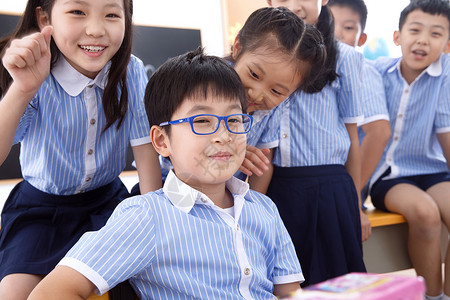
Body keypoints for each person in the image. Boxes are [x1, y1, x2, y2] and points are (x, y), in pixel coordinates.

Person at [28, 47, 304, 300]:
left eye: (233, 120)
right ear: (162, 141)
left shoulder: (264, 209)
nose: (224, 135)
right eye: (202, 121)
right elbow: (50, 293)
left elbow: (290, 294)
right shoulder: (146, 216)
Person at [0, 0, 162, 298]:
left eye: (112, 15)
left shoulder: (132, 71)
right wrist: (22, 88)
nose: (96, 29)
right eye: (78, 11)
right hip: (40, 212)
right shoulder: (35, 73)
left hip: (108, 206)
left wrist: (155, 234)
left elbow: (147, 160)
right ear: (44, 16)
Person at [130, 6, 328, 194]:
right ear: (238, 48)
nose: (257, 94)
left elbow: (263, 164)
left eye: (276, 91)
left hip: (221, 197)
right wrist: (229, 151)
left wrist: (253, 207)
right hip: (172, 187)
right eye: (254, 74)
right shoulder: (204, 83)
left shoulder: (273, 111)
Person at [253, 0, 368, 287]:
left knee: (338, 285)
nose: (293, 5)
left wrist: (356, 204)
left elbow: (353, 138)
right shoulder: (263, 55)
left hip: (330, 190)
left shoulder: (345, 57)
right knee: (285, 282)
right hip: (280, 187)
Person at [367, 1, 450, 299]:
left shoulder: (446, 76)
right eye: (415, 30)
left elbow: (447, 136)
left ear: (447, 44)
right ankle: (432, 296)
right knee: (426, 214)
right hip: (389, 176)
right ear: (397, 36)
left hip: (434, 170)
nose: (424, 40)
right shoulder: (376, 72)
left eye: (436, 34)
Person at [328, 0, 391, 204]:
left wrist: (353, 197)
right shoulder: (317, 68)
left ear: (361, 39)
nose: (337, 33)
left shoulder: (362, 70)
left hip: (346, 187)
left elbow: (379, 133)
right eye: (329, 23)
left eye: (348, 27)